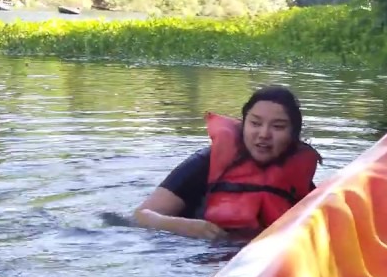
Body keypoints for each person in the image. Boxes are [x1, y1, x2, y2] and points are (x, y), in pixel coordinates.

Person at [133, 85, 322, 240]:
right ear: (243, 125)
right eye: (255, 123)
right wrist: (184, 226)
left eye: (278, 127)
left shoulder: (300, 180)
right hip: (197, 258)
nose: (264, 134)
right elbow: (141, 216)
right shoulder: (205, 163)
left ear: (293, 135)